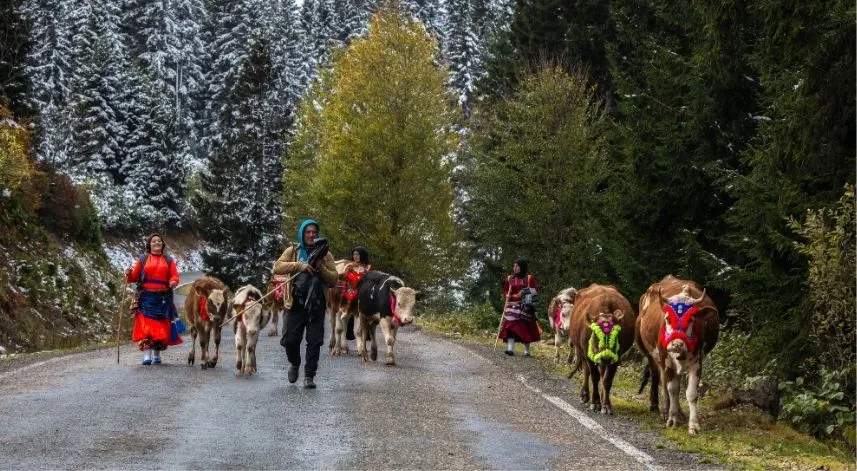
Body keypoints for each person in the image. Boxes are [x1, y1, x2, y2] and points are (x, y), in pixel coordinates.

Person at [273, 219, 337, 389]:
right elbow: (277, 267)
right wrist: (299, 266)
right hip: (296, 302)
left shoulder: (325, 254)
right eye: (308, 232)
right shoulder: (293, 251)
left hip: (317, 303)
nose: (311, 235)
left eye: (314, 232)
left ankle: (309, 376)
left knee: (314, 341)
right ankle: (294, 363)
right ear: (302, 233)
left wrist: (320, 268)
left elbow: (334, 278)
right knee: (290, 340)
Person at [125, 233, 182, 365]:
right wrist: (128, 274)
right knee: (147, 327)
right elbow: (133, 277)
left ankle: (157, 354)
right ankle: (147, 356)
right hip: (146, 297)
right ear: (149, 245)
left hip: (163, 297)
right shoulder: (143, 259)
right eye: (154, 241)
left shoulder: (168, 260)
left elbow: (174, 276)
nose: (157, 243)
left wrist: (173, 282)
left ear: (162, 244)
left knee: (162, 326)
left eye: (159, 241)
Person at [498, 258, 540, 357]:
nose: (515, 268)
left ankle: (526, 351)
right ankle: (510, 349)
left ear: (522, 267)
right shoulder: (510, 278)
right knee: (510, 327)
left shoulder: (529, 278)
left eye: (517, 266)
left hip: (525, 307)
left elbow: (533, 292)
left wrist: (522, 295)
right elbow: (506, 291)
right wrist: (507, 296)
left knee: (526, 328)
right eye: (514, 266)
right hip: (512, 307)